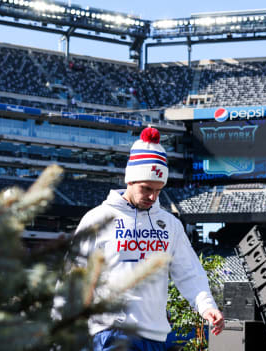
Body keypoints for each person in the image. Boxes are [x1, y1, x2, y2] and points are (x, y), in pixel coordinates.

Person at [74, 127, 224, 351]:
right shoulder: (98, 219)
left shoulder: (170, 224)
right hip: (111, 332)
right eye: (146, 188)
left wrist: (206, 306)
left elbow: (189, 271)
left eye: (158, 190)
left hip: (154, 335)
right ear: (130, 180)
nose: (153, 197)